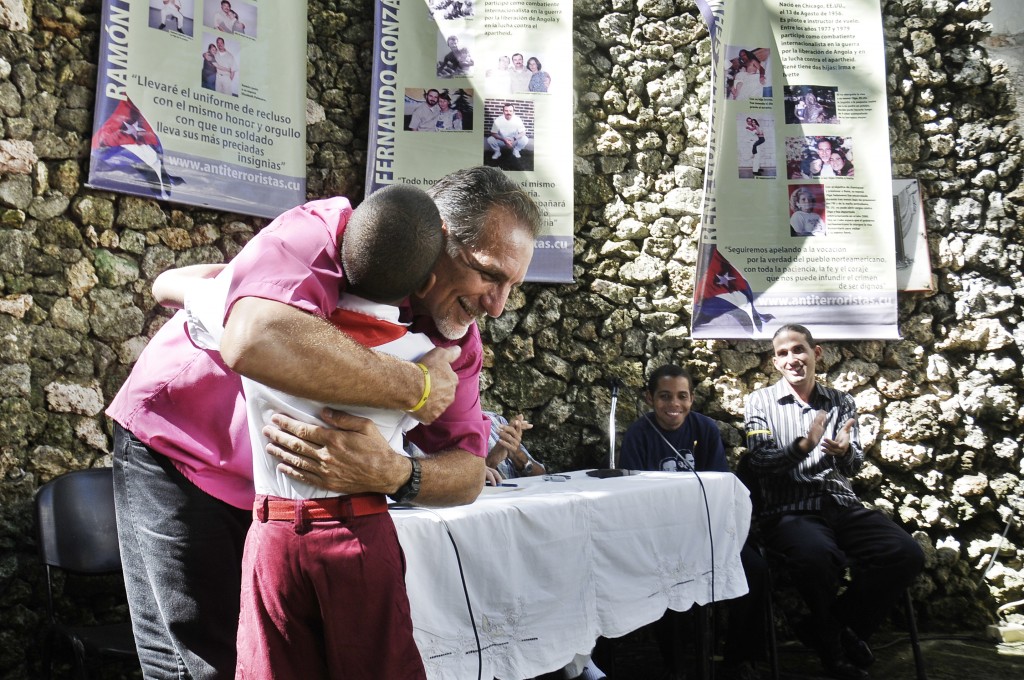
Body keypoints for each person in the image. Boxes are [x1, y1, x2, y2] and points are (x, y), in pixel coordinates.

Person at [107, 166, 540, 680]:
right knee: (201, 664)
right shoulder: (320, 233)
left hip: (296, 516)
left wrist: (398, 475)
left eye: (512, 284)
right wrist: (414, 388)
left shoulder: (454, 340)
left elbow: (468, 472)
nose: (498, 306)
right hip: (183, 452)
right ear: (438, 236)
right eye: (489, 273)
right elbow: (254, 340)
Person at [154, 185, 444, 679]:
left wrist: (235, 280)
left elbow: (166, 284)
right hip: (359, 535)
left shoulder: (262, 325)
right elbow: (442, 402)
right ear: (426, 284)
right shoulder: (423, 357)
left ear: (339, 259)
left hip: (275, 534)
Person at [743, 325, 925, 680]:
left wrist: (842, 452)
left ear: (817, 353)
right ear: (775, 361)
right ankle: (836, 655)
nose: (792, 359)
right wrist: (802, 447)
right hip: (790, 509)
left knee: (906, 553)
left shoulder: (841, 401)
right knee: (815, 558)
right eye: (783, 353)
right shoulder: (759, 402)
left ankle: (828, 630)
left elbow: (854, 466)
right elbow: (760, 461)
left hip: (840, 504)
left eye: (799, 350)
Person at [620, 365, 767, 680]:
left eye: (682, 396)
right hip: (662, 538)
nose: (674, 404)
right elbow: (632, 497)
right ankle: (676, 664)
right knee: (668, 577)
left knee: (755, 570)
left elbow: (719, 487)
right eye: (665, 396)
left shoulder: (706, 430)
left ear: (692, 399)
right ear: (650, 398)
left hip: (708, 531)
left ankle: (739, 658)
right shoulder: (638, 434)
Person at [481, 411, 544, 484]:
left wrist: (517, 454)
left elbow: (542, 476)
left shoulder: (497, 419)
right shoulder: (465, 427)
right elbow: (468, 483)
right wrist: (493, 459)